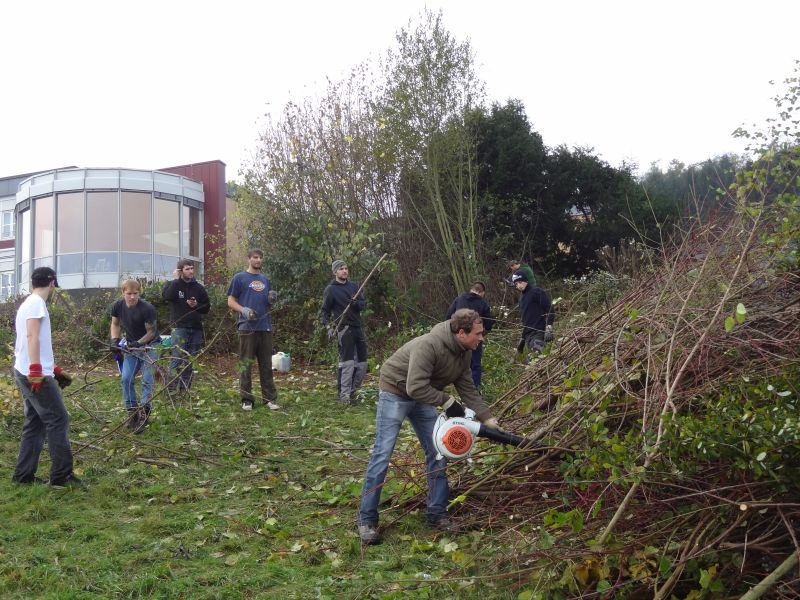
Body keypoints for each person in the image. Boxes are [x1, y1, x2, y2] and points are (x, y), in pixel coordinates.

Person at [357, 308, 504, 545]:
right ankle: (367, 520)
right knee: (383, 454)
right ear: (461, 333)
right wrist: (447, 401)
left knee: (439, 450)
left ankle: (436, 514)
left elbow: (467, 387)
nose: (481, 338)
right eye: (478, 333)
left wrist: (488, 419)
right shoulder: (429, 345)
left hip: (423, 395)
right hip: (396, 391)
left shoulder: (464, 352)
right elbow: (414, 387)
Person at [11, 267, 81, 487]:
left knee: (35, 423)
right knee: (58, 419)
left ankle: (23, 477)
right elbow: (32, 337)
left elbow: (27, 341)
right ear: (52, 283)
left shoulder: (27, 303)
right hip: (33, 375)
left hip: (26, 370)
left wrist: (54, 370)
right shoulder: (36, 304)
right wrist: (36, 372)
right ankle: (62, 477)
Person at [226, 249, 280, 411]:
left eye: (261, 258)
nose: (258, 260)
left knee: (266, 364)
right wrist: (243, 310)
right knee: (246, 364)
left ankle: (269, 399)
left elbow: (267, 304)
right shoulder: (239, 278)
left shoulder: (265, 279)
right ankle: (246, 399)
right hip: (247, 327)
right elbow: (230, 300)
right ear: (249, 259)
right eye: (255, 257)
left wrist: (272, 300)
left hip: (265, 327)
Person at [110, 279, 160, 433]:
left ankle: (144, 414)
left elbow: (151, 332)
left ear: (140, 293)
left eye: (135, 293)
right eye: (129, 293)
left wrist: (139, 343)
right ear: (123, 292)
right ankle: (132, 413)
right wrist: (114, 340)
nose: (132, 297)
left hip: (150, 346)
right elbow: (115, 324)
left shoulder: (147, 308)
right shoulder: (118, 306)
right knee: (126, 378)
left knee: (147, 380)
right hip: (130, 347)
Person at [320, 259, 368, 405]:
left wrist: (355, 303)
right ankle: (344, 395)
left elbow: (362, 304)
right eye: (341, 269)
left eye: (346, 268)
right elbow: (324, 312)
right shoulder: (331, 289)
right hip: (344, 329)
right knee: (347, 363)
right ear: (335, 272)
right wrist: (329, 327)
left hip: (357, 328)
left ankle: (353, 392)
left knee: (362, 363)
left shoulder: (354, 286)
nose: (344, 271)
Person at [162, 259, 210, 393]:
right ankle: (170, 390)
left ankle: (185, 391)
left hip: (195, 328)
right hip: (179, 327)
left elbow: (206, 307)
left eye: (191, 268)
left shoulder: (199, 288)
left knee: (190, 360)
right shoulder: (173, 285)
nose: (190, 271)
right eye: (187, 269)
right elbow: (167, 297)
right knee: (177, 358)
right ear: (180, 271)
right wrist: (176, 280)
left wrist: (197, 306)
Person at [445, 281, 494, 388]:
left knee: (457, 362)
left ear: (472, 289)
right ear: (481, 292)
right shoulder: (482, 303)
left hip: (458, 337)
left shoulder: (460, 298)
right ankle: (475, 388)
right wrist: (482, 334)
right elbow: (489, 324)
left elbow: (448, 316)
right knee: (475, 365)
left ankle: (457, 386)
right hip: (474, 338)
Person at [512, 271, 555, 357]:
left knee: (534, 358)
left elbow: (550, 309)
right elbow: (525, 320)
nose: (519, 286)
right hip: (528, 336)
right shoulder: (521, 300)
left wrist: (549, 326)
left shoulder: (537, 292)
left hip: (539, 331)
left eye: (520, 282)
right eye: (516, 284)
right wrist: (522, 339)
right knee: (535, 360)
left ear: (526, 281)